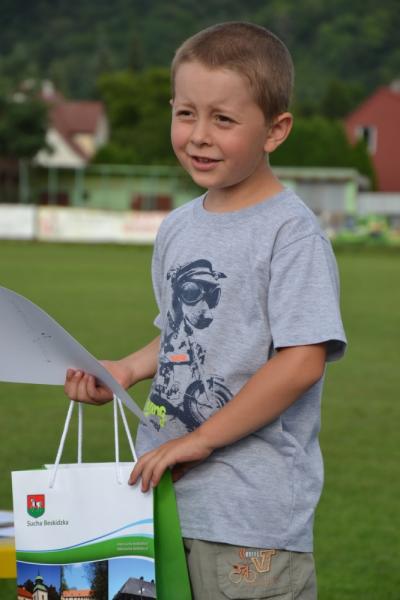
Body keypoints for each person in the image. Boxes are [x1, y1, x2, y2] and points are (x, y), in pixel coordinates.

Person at [65, 21, 346, 599]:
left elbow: (302, 361)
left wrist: (203, 439)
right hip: (158, 498)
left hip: (249, 515)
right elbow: (181, 335)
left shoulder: (290, 234)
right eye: (186, 113)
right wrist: (124, 370)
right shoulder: (178, 227)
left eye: (223, 119)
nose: (199, 136)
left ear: (275, 130)